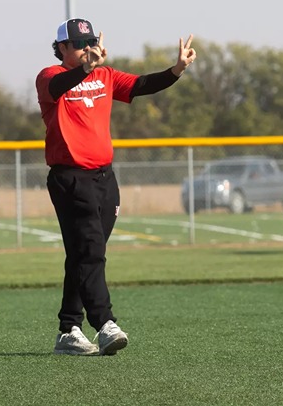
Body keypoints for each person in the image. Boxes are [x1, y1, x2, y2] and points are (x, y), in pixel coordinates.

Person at [36, 18, 197, 356]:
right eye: (80, 44)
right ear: (62, 48)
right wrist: (85, 68)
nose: (87, 48)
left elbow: (141, 84)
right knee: (90, 250)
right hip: (71, 177)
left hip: (105, 178)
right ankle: (105, 324)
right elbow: (57, 87)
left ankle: (68, 330)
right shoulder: (50, 76)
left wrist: (176, 70)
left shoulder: (105, 75)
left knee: (84, 254)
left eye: (91, 42)